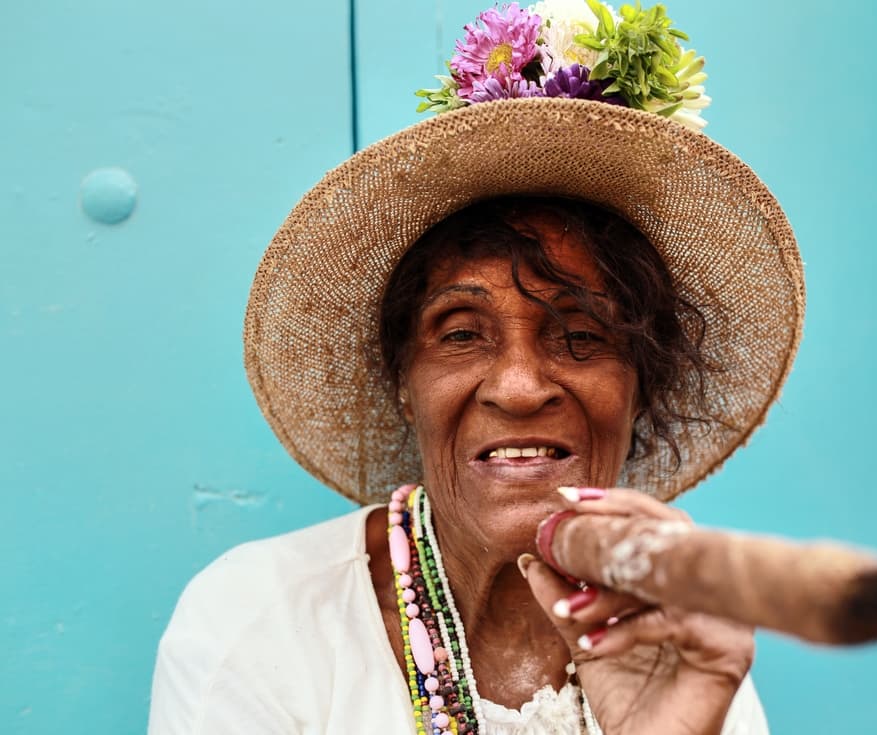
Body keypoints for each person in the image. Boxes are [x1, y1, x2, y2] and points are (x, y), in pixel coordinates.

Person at [149, 3, 803, 734]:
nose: (520, 386)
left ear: (641, 385)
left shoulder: (678, 643)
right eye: (461, 334)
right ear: (403, 381)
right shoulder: (258, 624)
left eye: (580, 334)